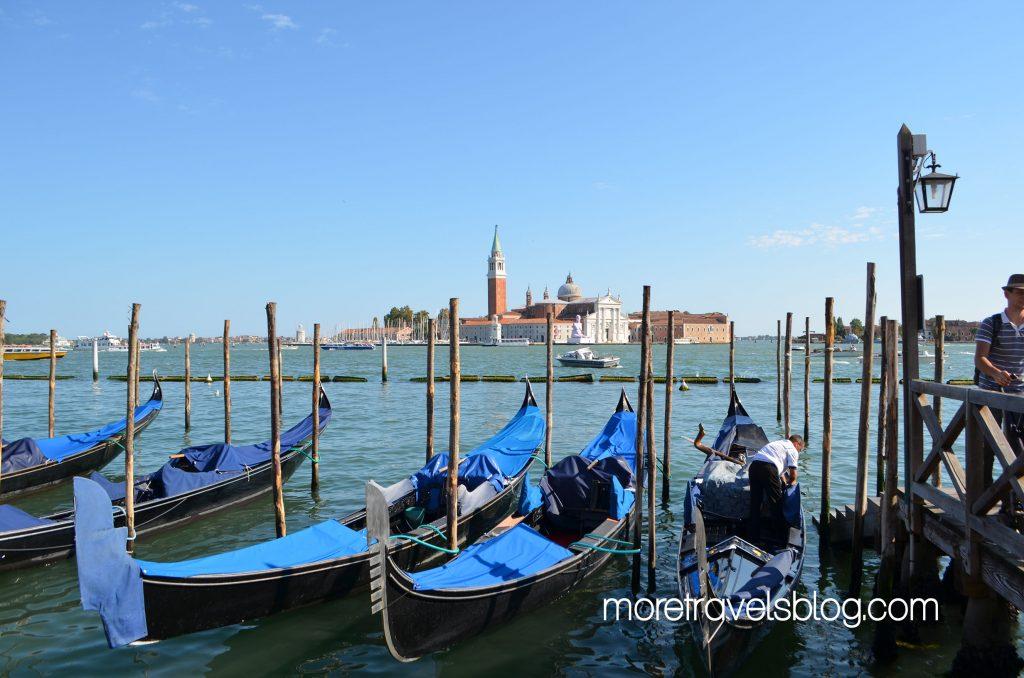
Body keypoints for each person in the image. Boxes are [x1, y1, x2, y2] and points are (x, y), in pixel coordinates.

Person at [974, 274, 1024, 483]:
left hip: (1020, 394)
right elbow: (980, 358)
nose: (1023, 296)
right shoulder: (991, 323)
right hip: (991, 393)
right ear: (1007, 294)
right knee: (988, 446)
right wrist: (996, 373)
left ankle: (1014, 498)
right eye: (1019, 292)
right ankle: (984, 497)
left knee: (1018, 446)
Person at [747, 435, 803, 541]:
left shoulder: (778, 444)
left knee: (755, 503)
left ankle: (753, 536)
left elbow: (780, 473)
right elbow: (793, 476)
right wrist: (790, 486)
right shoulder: (792, 449)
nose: (798, 452)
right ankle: (780, 537)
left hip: (754, 466)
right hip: (768, 468)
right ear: (797, 444)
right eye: (799, 450)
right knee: (777, 503)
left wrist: (784, 483)